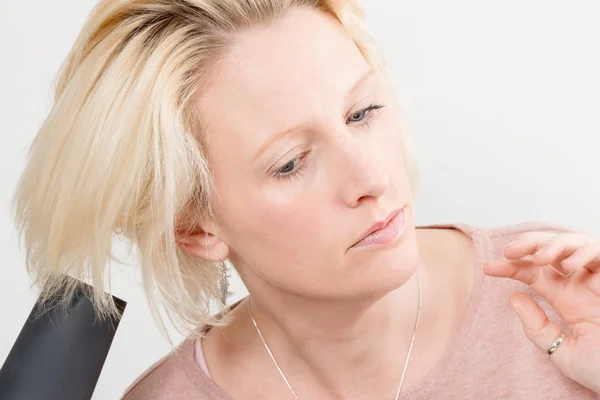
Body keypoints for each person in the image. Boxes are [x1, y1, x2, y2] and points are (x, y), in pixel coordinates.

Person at [12, 0, 600, 399]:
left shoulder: (563, 303)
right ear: (197, 230)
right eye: (291, 162)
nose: (371, 176)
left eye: (362, 112)